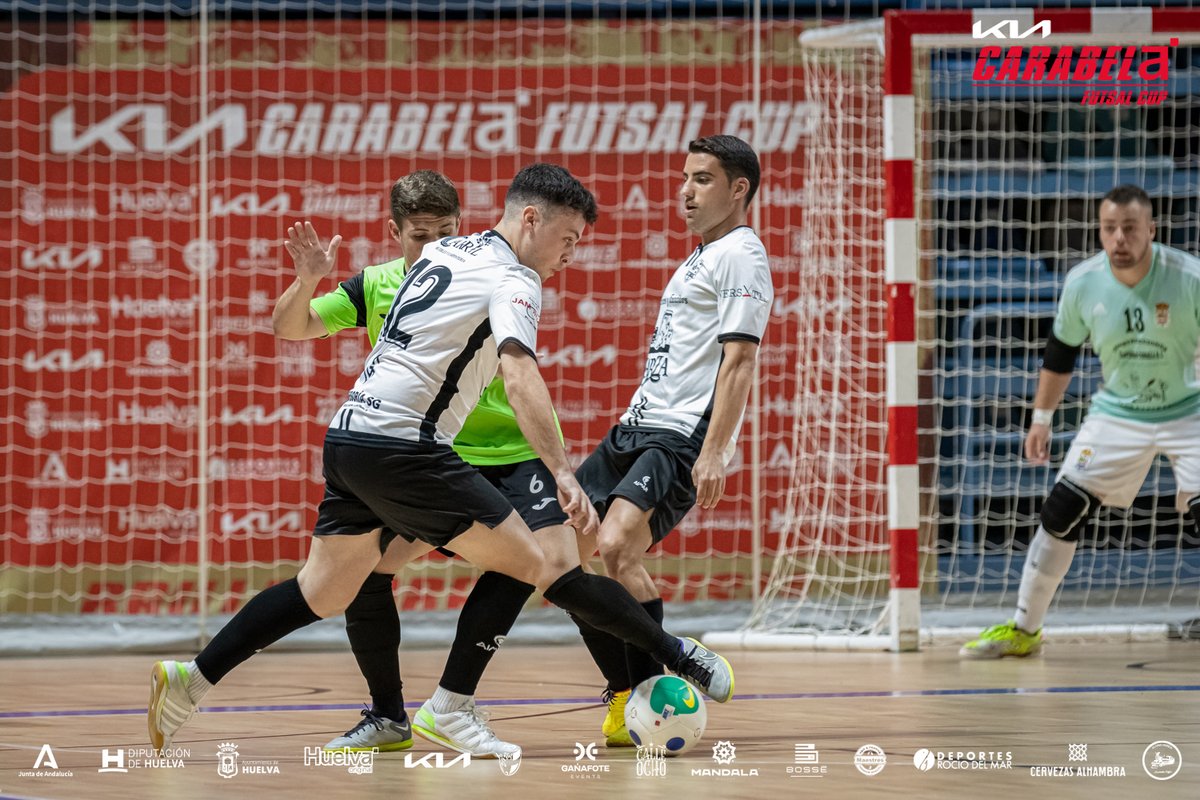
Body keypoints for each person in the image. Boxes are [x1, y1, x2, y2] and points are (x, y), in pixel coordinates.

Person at [148, 163, 734, 757]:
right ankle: (467, 703)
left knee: (321, 591)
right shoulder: (516, 278)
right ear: (532, 220)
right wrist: (563, 472)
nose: (569, 256)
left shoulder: (442, 253)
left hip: (352, 437)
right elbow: (518, 371)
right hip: (410, 447)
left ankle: (190, 680)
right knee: (535, 563)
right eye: (568, 239)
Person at [272, 169, 589, 758]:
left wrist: (560, 467)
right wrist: (307, 280)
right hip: (427, 455)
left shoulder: (490, 269)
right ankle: (390, 714)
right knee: (364, 571)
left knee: (565, 569)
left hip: (509, 451)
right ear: (394, 233)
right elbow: (294, 326)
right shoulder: (378, 284)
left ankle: (639, 684)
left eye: (445, 231)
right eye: (420, 234)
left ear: (461, 227)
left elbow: (520, 372)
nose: (433, 244)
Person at [570, 135, 773, 745]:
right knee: (565, 555)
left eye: (702, 179)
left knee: (616, 547)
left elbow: (739, 361)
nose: (685, 191)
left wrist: (714, 452)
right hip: (635, 425)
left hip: (679, 435)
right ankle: (630, 692)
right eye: (685, 178)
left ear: (738, 189)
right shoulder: (700, 257)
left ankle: (658, 680)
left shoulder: (742, 255)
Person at [961, 184, 1200, 658]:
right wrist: (1041, 419)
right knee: (1061, 509)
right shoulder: (1083, 282)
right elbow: (1060, 354)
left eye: (1129, 228)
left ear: (1152, 229)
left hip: (1189, 409)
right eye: (1109, 228)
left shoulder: (1188, 278)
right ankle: (1024, 630)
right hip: (1119, 413)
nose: (1119, 238)